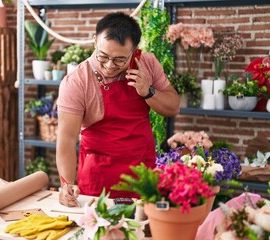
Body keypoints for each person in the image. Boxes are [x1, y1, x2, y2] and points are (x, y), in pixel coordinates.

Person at [56, 12, 180, 207]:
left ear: (134, 50)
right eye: (103, 56)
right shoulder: (77, 82)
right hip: (99, 181)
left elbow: (173, 107)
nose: (109, 66)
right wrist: (66, 184)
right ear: (95, 40)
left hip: (142, 174)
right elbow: (66, 139)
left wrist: (148, 91)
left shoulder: (147, 63)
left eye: (120, 60)